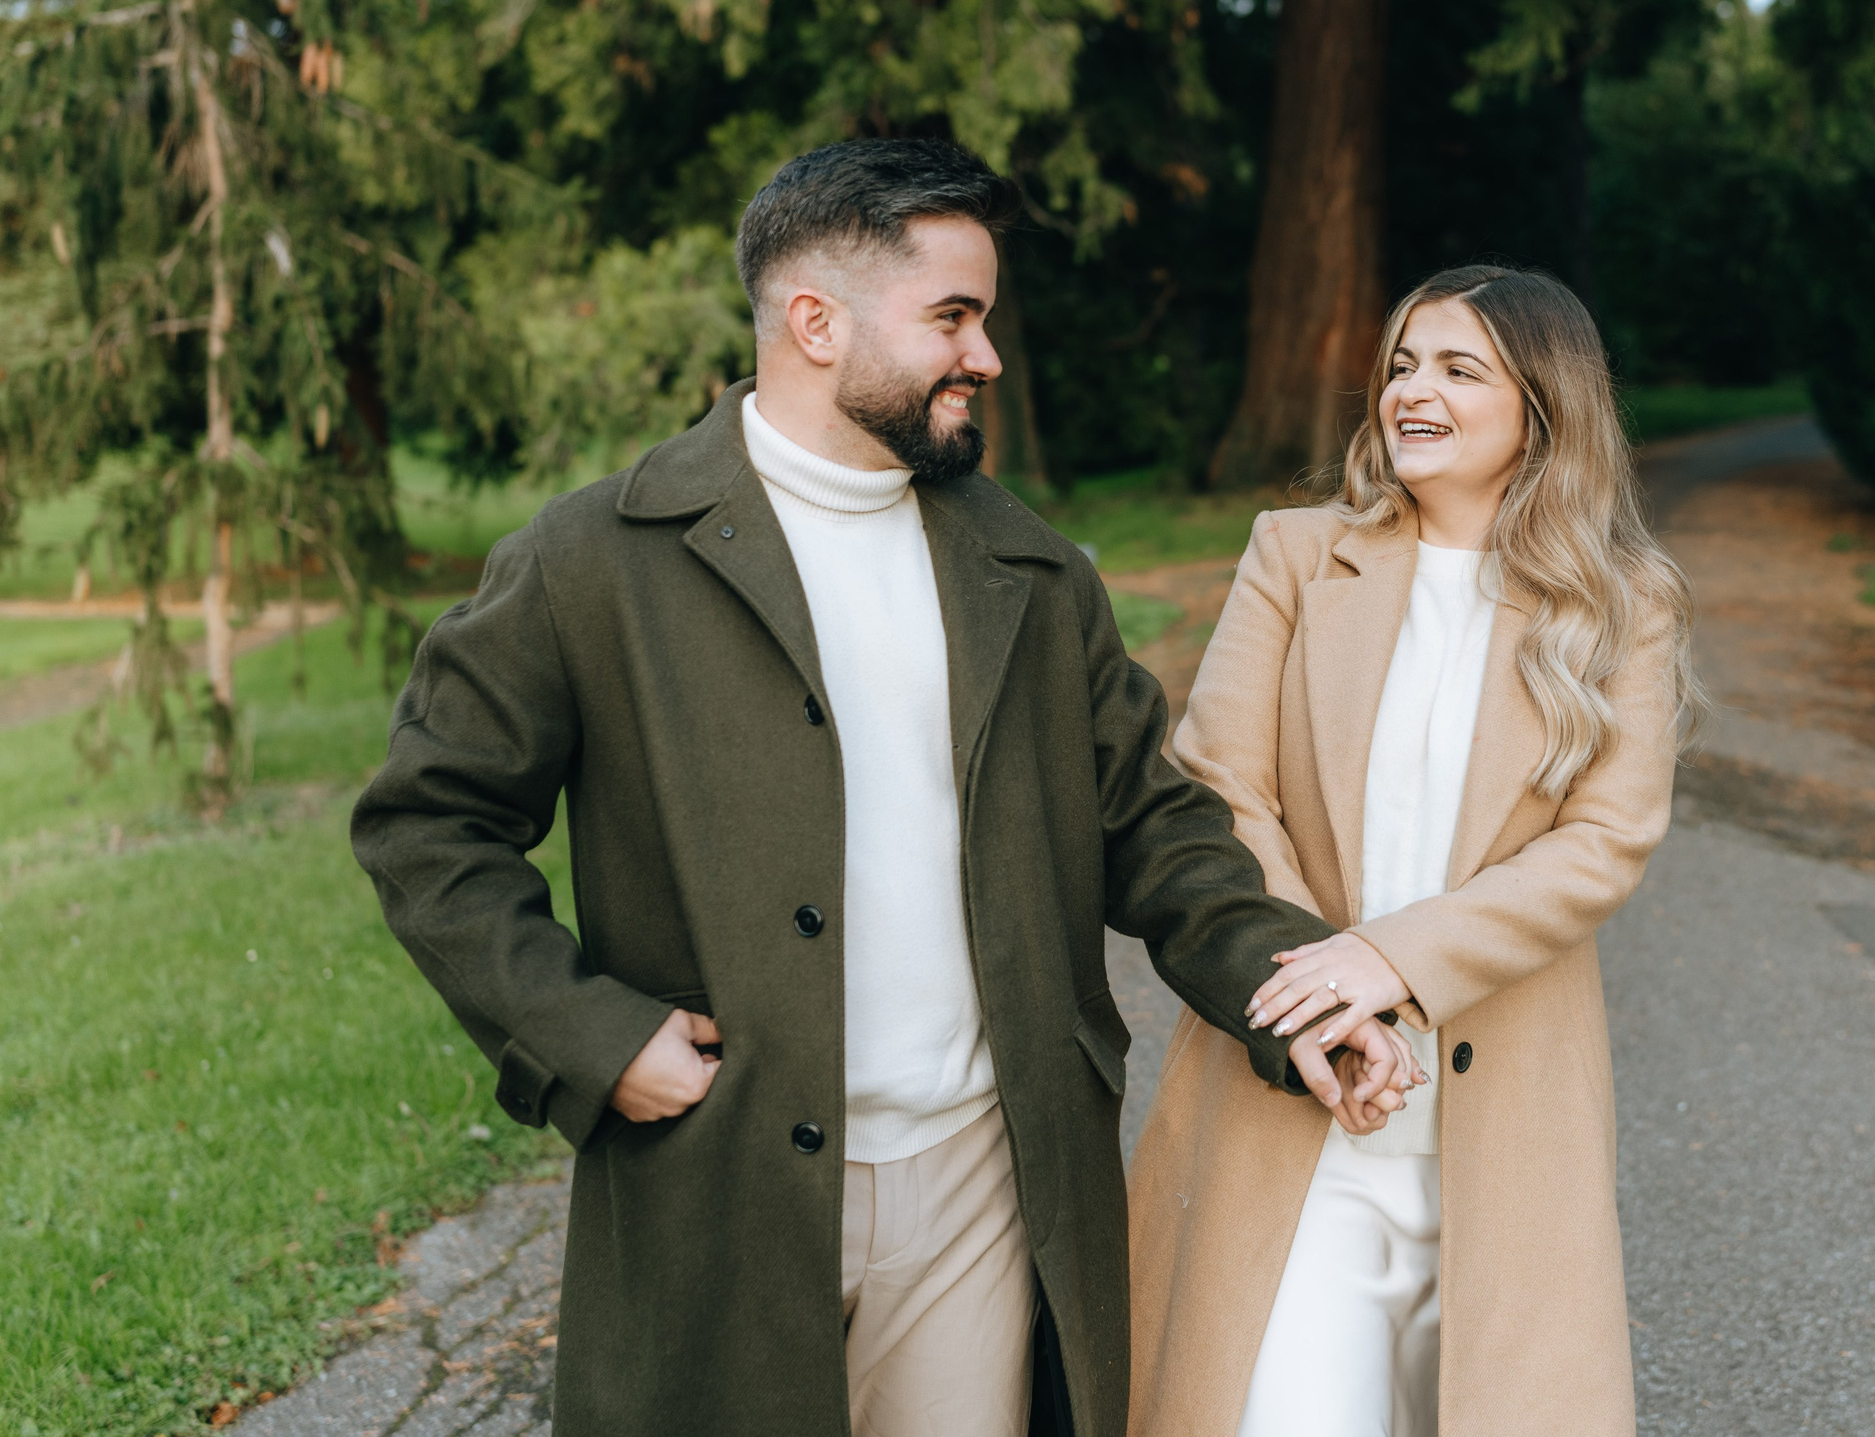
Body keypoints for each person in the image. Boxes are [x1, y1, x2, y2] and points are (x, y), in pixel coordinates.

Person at [351, 138, 1416, 1437]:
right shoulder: (589, 563)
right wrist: (590, 1034)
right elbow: (427, 824)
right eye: (952, 318)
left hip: (984, 1175)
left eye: (985, 318)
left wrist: (1294, 987)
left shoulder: (1032, 569)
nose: (988, 355)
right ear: (816, 322)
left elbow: (1153, 828)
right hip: (722, 1175)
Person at [1125, 266, 1699, 1437]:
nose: (1410, 391)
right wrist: (1324, 996)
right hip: (1301, 1104)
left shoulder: (1624, 602)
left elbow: (1604, 841)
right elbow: (1222, 781)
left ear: (1542, 407)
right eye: (1401, 365)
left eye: (1457, 368)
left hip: (1503, 1128)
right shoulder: (1296, 554)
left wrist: (1389, 961)